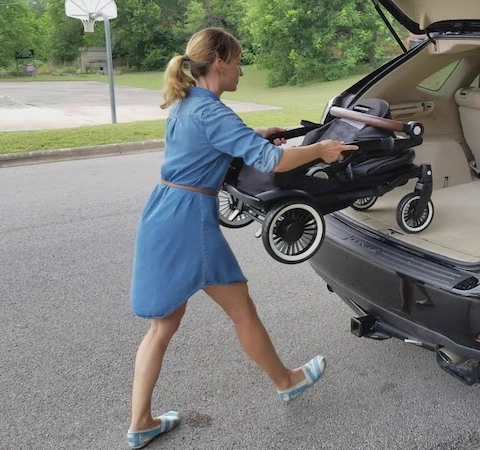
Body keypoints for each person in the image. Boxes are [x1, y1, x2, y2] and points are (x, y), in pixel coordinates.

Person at [125, 27, 357, 449]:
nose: (242, 71)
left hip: (163, 210)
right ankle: (286, 380)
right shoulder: (212, 111)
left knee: (164, 324)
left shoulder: (187, 101)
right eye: (237, 62)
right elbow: (274, 161)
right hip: (189, 222)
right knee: (241, 310)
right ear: (219, 63)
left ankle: (140, 422)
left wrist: (254, 135)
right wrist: (320, 150)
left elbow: (213, 147)